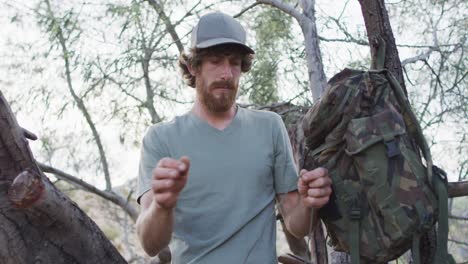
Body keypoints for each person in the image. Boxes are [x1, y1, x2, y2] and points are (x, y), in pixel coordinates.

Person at [135, 11, 332, 264]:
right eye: (215, 61)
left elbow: (298, 224)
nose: (227, 73)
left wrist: (309, 201)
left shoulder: (270, 127)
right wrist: (162, 206)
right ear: (193, 66)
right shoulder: (161, 138)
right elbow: (150, 245)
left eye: (235, 62)